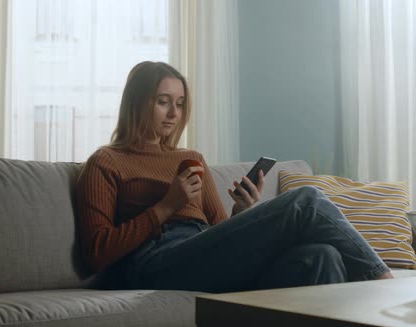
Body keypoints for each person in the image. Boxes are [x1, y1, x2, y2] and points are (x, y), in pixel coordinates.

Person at [75, 61, 393, 293]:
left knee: (322, 256)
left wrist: (242, 212)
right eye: (163, 102)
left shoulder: (190, 159)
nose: (174, 113)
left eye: (180, 104)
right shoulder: (106, 162)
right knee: (306, 201)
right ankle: (383, 288)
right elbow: (95, 254)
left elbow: (219, 233)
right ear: (136, 103)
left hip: (200, 253)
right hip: (156, 264)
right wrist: (166, 206)